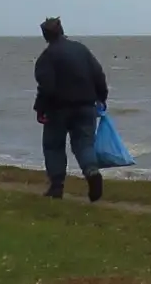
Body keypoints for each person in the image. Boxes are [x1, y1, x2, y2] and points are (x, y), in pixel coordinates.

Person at [33, 16, 110, 200]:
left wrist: (40, 109)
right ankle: (92, 172)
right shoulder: (81, 49)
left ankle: (57, 187)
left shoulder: (46, 57)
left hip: (57, 110)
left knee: (54, 146)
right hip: (86, 106)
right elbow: (98, 74)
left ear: (45, 36)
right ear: (61, 30)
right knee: (84, 144)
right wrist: (101, 97)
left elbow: (46, 87)